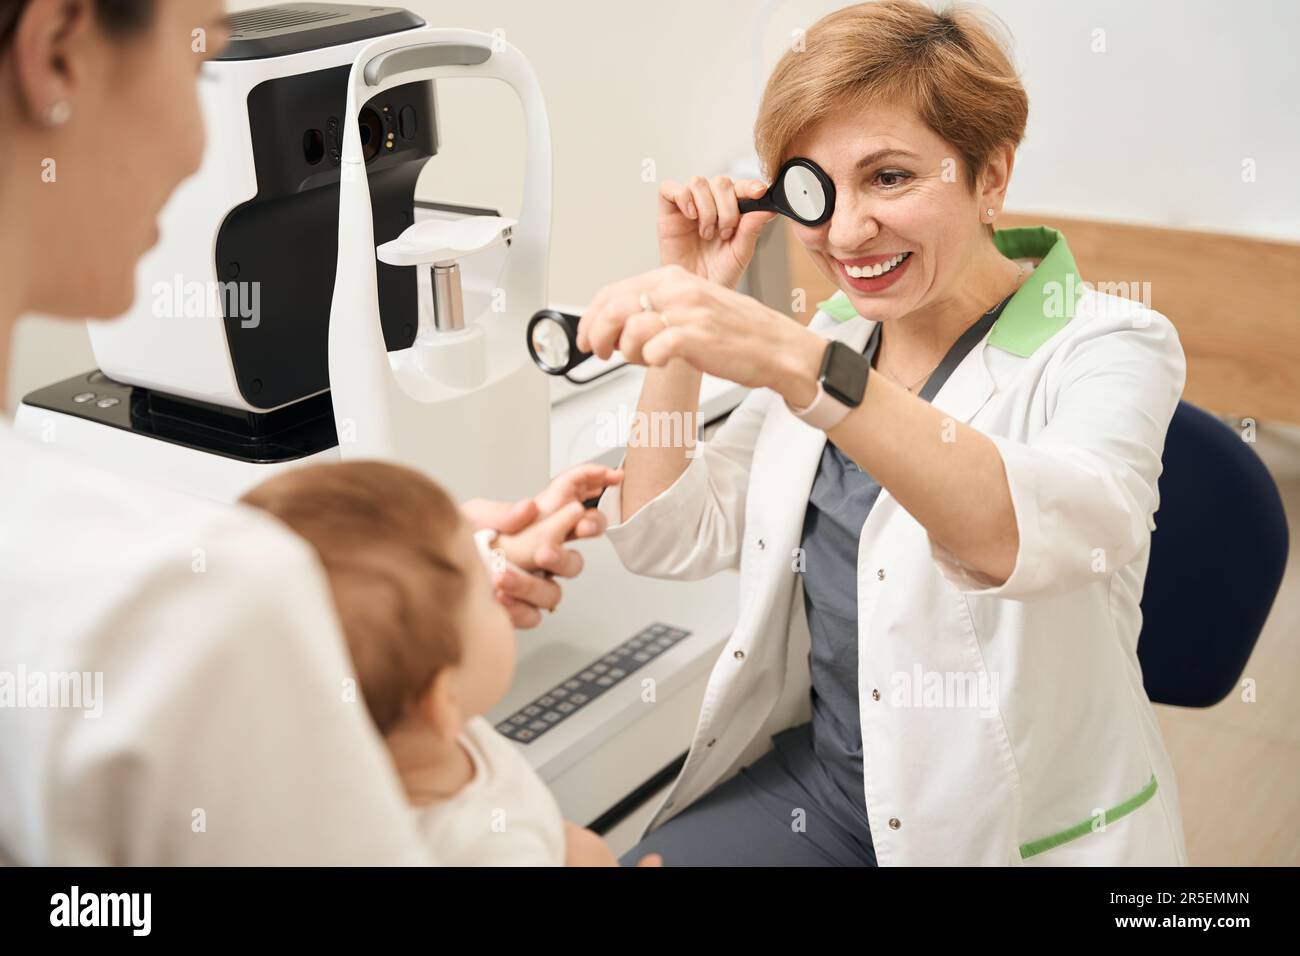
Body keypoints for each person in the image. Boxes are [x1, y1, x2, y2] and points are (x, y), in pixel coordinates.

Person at [0, 0, 612, 864]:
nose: (193, 149)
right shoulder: (198, 597)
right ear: (58, 55)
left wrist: (412, 600)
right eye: (193, 61)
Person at [580, 0, 1190, 865]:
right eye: (818, 190)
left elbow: (1018, 537)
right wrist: (684, 314)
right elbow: (665, 536)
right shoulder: (836, 334)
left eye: (892, 178)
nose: (846, 231)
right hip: (825, 791)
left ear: (990, 176)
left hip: (1008, 829)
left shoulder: (1110, 343)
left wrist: (798, 365)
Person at [241, 461, 659, 867]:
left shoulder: (387, 729)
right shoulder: (486, 851)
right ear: (441, 700)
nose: (497, 579)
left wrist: (508, 552)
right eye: (484, 587)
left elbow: (416, 608)